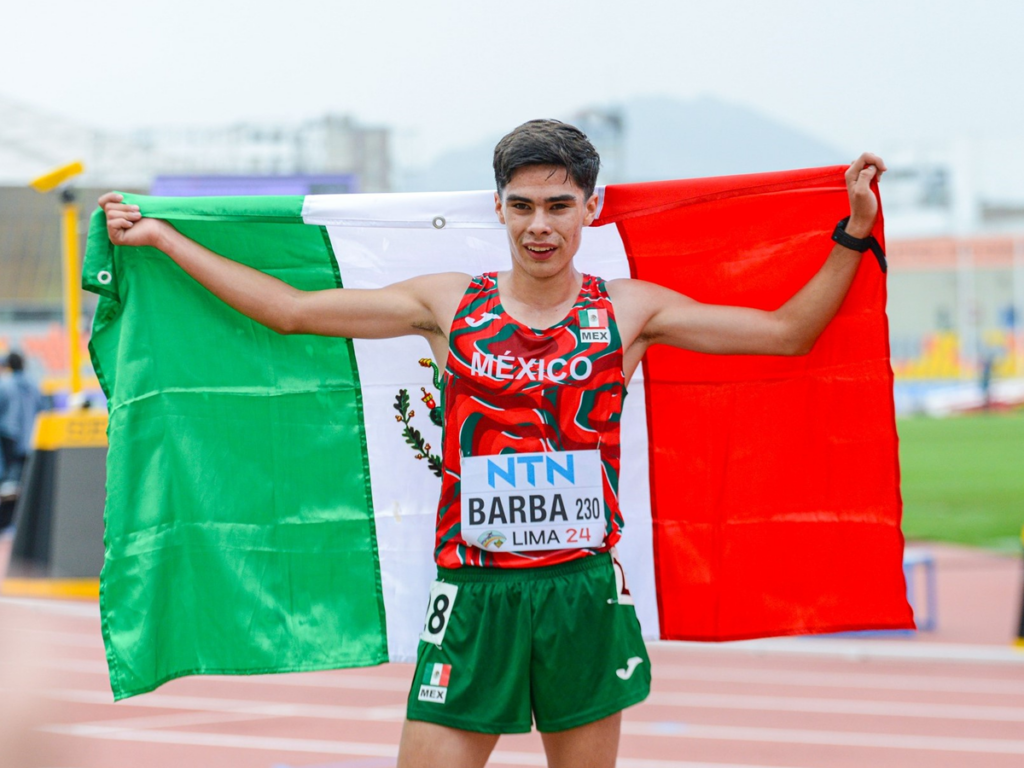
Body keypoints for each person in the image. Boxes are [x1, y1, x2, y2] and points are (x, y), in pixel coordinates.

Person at [100, 119, 885, 768]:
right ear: (500, 210)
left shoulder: (629, 311)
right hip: (475, 592)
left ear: (590, 208)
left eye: (559, 205)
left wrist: (852, 231)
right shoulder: (450, 304)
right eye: (522, 206)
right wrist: (167, 241)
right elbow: (293, 312)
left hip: (580, 591)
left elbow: (787, 334)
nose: (540, 225)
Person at [0, 352, 44, 505]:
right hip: (32, 436)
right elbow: (43, 409)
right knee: (26, 477)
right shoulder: (33, 384)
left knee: (9, 479)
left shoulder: (5, 384)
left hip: (9, 435)